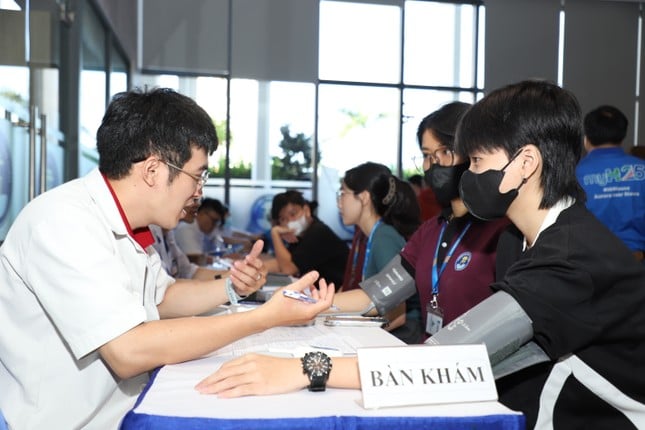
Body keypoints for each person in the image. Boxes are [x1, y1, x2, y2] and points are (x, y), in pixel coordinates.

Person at [196, 81, 645, 430]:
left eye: (476, 161)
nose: (463, 174)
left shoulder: (570, 257)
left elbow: (448, 355)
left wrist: (307, 369)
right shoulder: (519, 239)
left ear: (524, 164)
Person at [0, 88, 335, 429]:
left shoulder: (133, 226)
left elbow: (164, 296)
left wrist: (233, 287)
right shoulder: (63, 222)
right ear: (153, 170)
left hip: (128, 406)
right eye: (198, 175)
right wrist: (265, 317)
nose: (199, 192)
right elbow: (129, 351)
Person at [333, 102, 508, 343]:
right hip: (430, 362)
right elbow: (377, 294)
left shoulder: (502, 231)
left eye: (445, 152)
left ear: (475, 154)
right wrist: (309, 303)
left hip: (479, 370)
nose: (433, 165)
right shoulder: (431, 231)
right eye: (427, 155)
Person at [337, 162, 421, 340]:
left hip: (403, 337)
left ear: (364, 197)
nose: (339, 202)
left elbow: (397, 314)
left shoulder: (384, 238)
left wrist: (354, 336)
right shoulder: (367, 236)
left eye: (343, 193)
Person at [575, 105, 645, 262]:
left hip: (590, 264)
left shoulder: (575, 174)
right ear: (622, 135)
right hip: (637, 262)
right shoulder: (642, 169)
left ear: (586, 138)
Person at [264, 190, 349, 288]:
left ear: (307, 210)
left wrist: (275, 234)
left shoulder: (318, 232)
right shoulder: (300, 236)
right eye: (283, 219)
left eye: (293, 214)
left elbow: (288, 269)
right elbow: (281, 262)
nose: (289, 222)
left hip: (338, 295)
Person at [174, 197, 228, 264]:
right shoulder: (186, 228)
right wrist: (226, 259)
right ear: (202, 213)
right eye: (213, 220)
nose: (214, 225)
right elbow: (196, 259)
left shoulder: (200, 230)